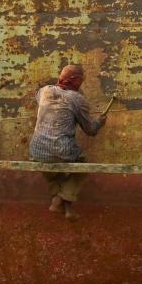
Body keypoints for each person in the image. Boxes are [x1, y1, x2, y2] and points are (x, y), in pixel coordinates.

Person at [29, 64, 107, 221]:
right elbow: (90, 130)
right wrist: (100, 122)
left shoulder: (44, 91)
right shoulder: (78, 99)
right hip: (62, 150)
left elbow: (42, 100)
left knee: (52, 171)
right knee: (82, 166)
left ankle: (66, 208)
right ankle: (59, 200)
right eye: (81, 81)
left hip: (36, 150)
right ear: (76, 81)